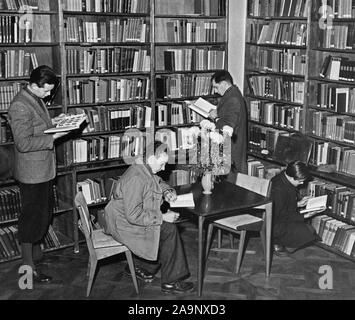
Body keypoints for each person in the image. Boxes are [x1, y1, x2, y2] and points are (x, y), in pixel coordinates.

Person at [103, 141, 194, 294]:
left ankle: (143, 266)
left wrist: (166, 191)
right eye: (162, 164)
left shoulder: (144, 167)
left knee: (165, 230)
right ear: (152, 158)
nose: (164, 168)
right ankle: (171, 282)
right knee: (169, 230)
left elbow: (156, 181)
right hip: (123, 224)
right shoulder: (136, 178)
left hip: (126, 218)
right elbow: (133, 216)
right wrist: (162, 217)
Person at [8, 65, 69, 283]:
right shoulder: (20, 106)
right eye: (45, 91)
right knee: (32, 218)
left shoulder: (34, 98)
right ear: (34, 85)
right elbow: (23, 143)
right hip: (32, 172)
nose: (48, 95)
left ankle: (35, 257)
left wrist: (57, 122)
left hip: (42, 169)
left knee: (42, 215)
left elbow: (38, 127)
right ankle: (28, 268)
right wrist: (53, 137)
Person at [271, 161, 320, 257]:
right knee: (309, 232)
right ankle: (276, 242)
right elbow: (281, 215)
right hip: (275, 225)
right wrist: (304, 216)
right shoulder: (278, 189)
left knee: (307, 231)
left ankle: (279, 242)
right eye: (299, 181)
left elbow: (283, 204)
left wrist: (298, 204)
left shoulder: (282, 178)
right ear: (290, 176)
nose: (302, 183)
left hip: (280, 218)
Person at [208, 70, 248, 183]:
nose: (215, 91)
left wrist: (215, 118)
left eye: (216, 87)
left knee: (230, 183)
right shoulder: (232, 94)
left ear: (224, 84)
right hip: (230, 148)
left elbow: (229, 126)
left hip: (231, 150)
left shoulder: (233, 99)